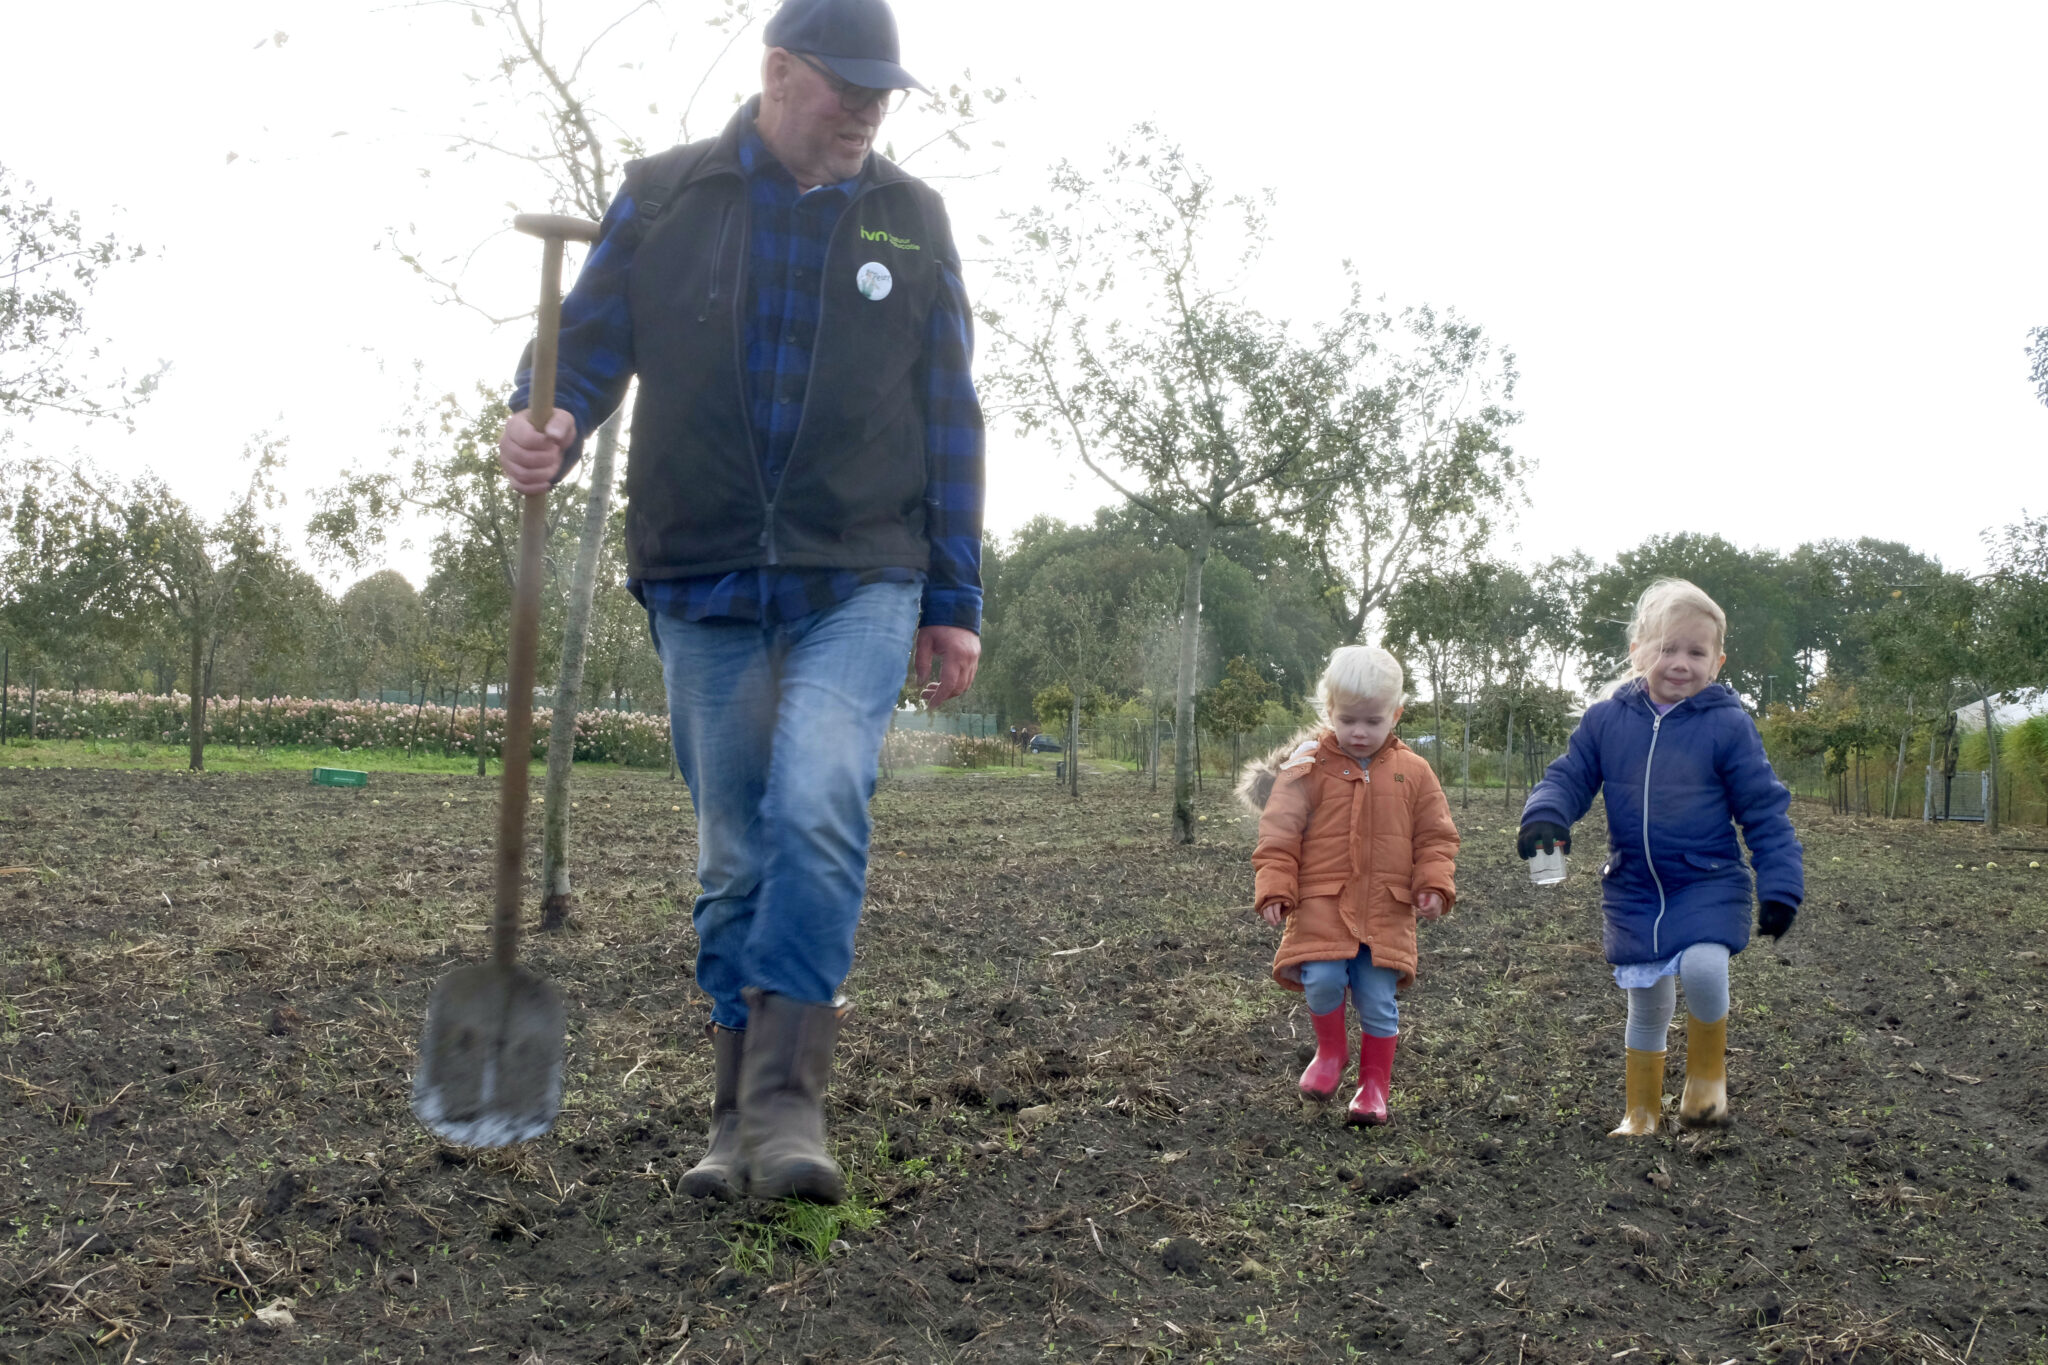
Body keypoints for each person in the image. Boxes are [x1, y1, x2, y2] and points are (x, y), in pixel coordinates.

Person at [496, 0, 984, 1204]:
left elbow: (949, 414)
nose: (868, 109)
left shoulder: (911, 220)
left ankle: (785, 1101)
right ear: (776, 73)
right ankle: (731, 1118)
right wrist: (546, 412)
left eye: (883, 89)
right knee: (732, 859)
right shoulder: (665, 196)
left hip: (859, 571)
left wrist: (954, 593)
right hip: (702, 570)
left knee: (819, 799)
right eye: (845, 85)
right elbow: (586, 342)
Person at [1517, 579, 1803, 1136]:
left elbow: (1765, 812)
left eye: (1696, 652)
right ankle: (1641, 1112)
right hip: (1634, 887)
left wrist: (1781, 886)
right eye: (1666, 648)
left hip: (1707, 879)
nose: (1679, 663)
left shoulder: (1728, 726)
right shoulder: (1605, 720)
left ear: (1716, 662)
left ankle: (1706, 1084)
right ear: (1637, 652)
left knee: (1703, 964)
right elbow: (1568, 777)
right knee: (1645, 1002)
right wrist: (1546, 815)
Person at [1239, 647, 1459, 1125]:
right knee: (1320, 979)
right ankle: (1331, 1053)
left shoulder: (1415, 772)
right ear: (1329, 713)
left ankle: (1374, 1086)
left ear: (1396, 715)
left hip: (1387, 910)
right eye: (1347, 719)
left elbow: (1437, 837)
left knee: (1378, 999)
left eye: (1373, 721)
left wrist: (1434, 884)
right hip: (1322, 903)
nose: (1359, 732)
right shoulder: (1307, 766)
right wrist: (1274, 885)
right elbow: (1279, 833)